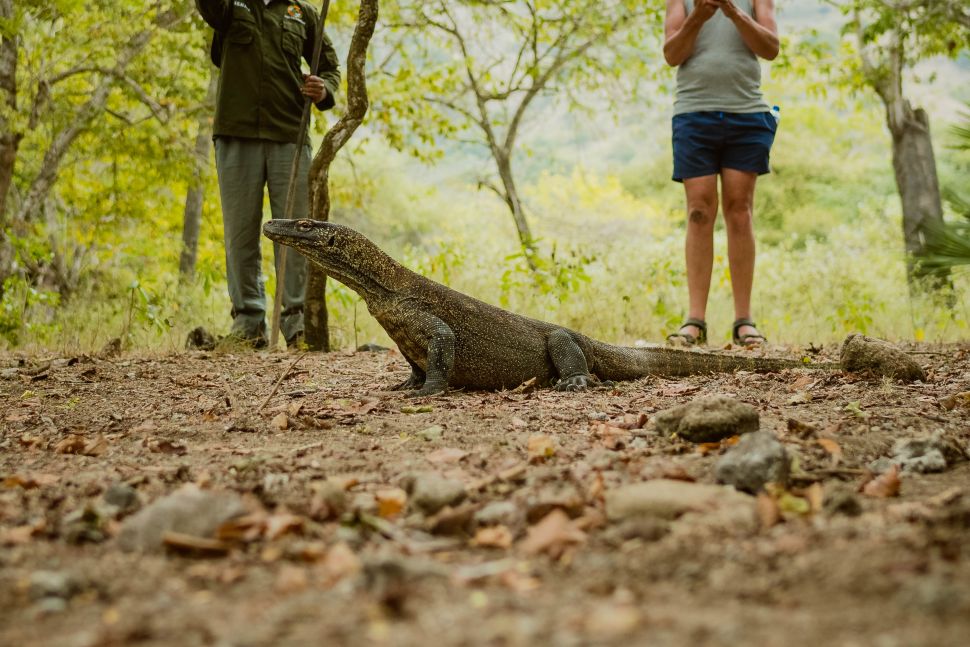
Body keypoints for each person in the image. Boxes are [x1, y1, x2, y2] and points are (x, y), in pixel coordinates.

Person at [195, 0, 341, 348]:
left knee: (297, 232)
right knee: (240, 232)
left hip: (289, 134)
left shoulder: (301, 13)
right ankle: (248, 324)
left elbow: (330, 67)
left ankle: (297, 324)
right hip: (235, 133)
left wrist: (325, 89)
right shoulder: (230, 7)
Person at [662, 0, 779, 347]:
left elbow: (770, 48)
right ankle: (694, 321)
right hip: (693, 114)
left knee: (739, 212)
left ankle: (744, 321)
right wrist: (699, 14)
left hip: (747, 114)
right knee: (698, 212)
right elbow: (672, 54)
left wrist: (732, 11)